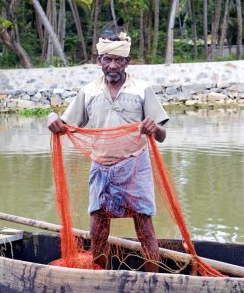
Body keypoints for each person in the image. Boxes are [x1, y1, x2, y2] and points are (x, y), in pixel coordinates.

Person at [48, 32, 169, 272]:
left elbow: (162, 136)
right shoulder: (89, 92)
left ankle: (153, 278)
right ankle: (99, 275)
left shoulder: (142, 90)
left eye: (118, 60)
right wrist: (51, 117)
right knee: (98, 229)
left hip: (135, 165)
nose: (112, 65)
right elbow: (64, 126)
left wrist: (154, 128)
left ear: (127, 62)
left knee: (144, 227)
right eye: (106, 59)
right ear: (99, 61)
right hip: (101, 167)